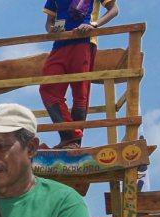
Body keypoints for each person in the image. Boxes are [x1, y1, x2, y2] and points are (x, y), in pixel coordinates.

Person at [39, 0, 120, 148]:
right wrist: (52, 29)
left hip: (84, 41)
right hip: (60, 44)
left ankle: (72, 143)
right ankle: (71, 137)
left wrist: (94, 24)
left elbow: (114, 10)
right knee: (47, 90)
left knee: (80, 92)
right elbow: (49, 22)